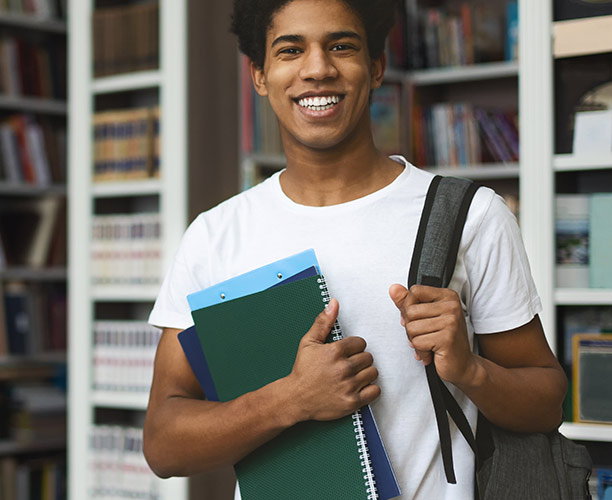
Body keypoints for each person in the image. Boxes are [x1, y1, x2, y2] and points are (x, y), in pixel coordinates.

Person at [142, 0, 567, 498]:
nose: (318, 69)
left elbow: (546, 403)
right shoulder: (214, 236)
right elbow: (163, 444)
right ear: (260, 75)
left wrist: (470, 370)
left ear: (376, 66)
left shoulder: (470, 216)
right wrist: (290, 400)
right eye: (290, 50)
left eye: (341, 46)